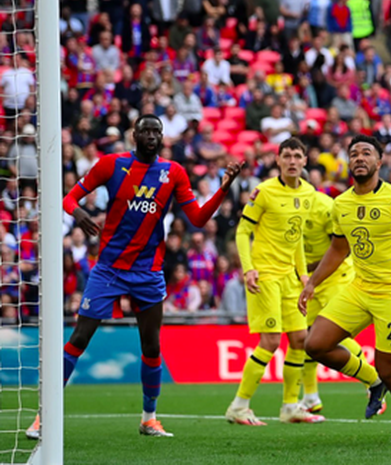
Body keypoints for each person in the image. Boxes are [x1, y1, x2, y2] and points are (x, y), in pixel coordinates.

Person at [27, 115, 241, 440]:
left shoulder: (174, 173)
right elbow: (68, 199)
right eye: (146, 130)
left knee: (152, 346)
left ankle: (149, 418)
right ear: (134, 135)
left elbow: (197, 218)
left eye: (157, 131)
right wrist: (80, 212)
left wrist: (223, 188)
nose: (152, 136)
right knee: (80, 338)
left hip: (149, 273)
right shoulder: (110, 165)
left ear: (162, 136)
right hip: (109, 269)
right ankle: (45, 417)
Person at [300, 135, 391, 443]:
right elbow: (338, 249)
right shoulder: (341, 203)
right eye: (354, 154)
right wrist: (312, 283)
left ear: (379, 162)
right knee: (315, 344)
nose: (359, 158)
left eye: (366, 153)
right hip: (360, 287)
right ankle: (373, 381)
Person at [225, 138, 324, 426]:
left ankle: (291, 406)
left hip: (290, 279)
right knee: (269, 341)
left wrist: (304, 274)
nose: (292, 161)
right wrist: (248, 269)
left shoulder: (308, 193)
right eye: (287, 156)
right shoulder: (263, 192)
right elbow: (243, 232)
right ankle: (239, 406)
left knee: (300, 339)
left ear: (305, 161)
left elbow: (295, 240)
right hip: (265, 275)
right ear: (278, 160)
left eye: (297, 156)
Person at [297, 190, 381, 416]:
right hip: (309, 280)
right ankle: (311, 397)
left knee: (335, 334)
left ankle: (372, 384)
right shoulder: (284, 206)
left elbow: (341, 247)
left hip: (335, 275)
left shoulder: (325, 207)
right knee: (309, 337)